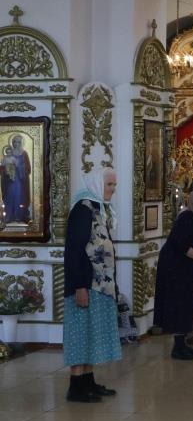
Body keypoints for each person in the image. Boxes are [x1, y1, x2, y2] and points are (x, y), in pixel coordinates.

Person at [62, 166, 121, 402]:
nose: (113, 189)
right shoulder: (82, 210)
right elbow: (74, 251)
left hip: (99, 285)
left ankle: (88, 381)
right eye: (109, 185)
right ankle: (75, 387)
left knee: (91, 334)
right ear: (97, 184)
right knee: (80, 335)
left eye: (114, 185)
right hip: (85, 284)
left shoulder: (98, 208)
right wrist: (79, 286)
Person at [154, 183, 193, 360]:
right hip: (174, 267)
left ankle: (182, 344)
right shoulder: (186, 217)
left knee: (186, 304)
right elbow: (183, 246)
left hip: (186, 267)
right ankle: (178, 347)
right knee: (178, 304)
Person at [2, 134, 31, 223]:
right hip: (10, 180)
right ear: (12, 143)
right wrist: (6, 169)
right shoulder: (9, 153)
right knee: (10, 195)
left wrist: (19, 166)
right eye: (14, 142)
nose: (16, 144)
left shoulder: (24, 153)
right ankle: (9, 216)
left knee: (19, 196)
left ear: (21, 143)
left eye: (18, 142)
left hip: (20, 180)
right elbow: (3, 166)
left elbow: (28, 168)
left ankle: (19, 216)